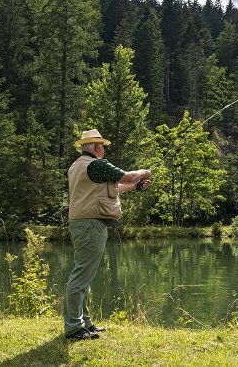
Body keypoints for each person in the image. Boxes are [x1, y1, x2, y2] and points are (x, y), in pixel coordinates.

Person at [64, 129, 151, 340]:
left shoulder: (78, 166)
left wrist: (134, 186)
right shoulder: (96, 164)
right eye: (102, 145)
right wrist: (143, 172)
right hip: (90, 225)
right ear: (96, 147)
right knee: (81, 276)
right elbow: (129, 175)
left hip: (83, 224)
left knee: (85, 276)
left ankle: (84, 323)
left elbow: (115, 188)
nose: (104, 148)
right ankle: (74, 328)